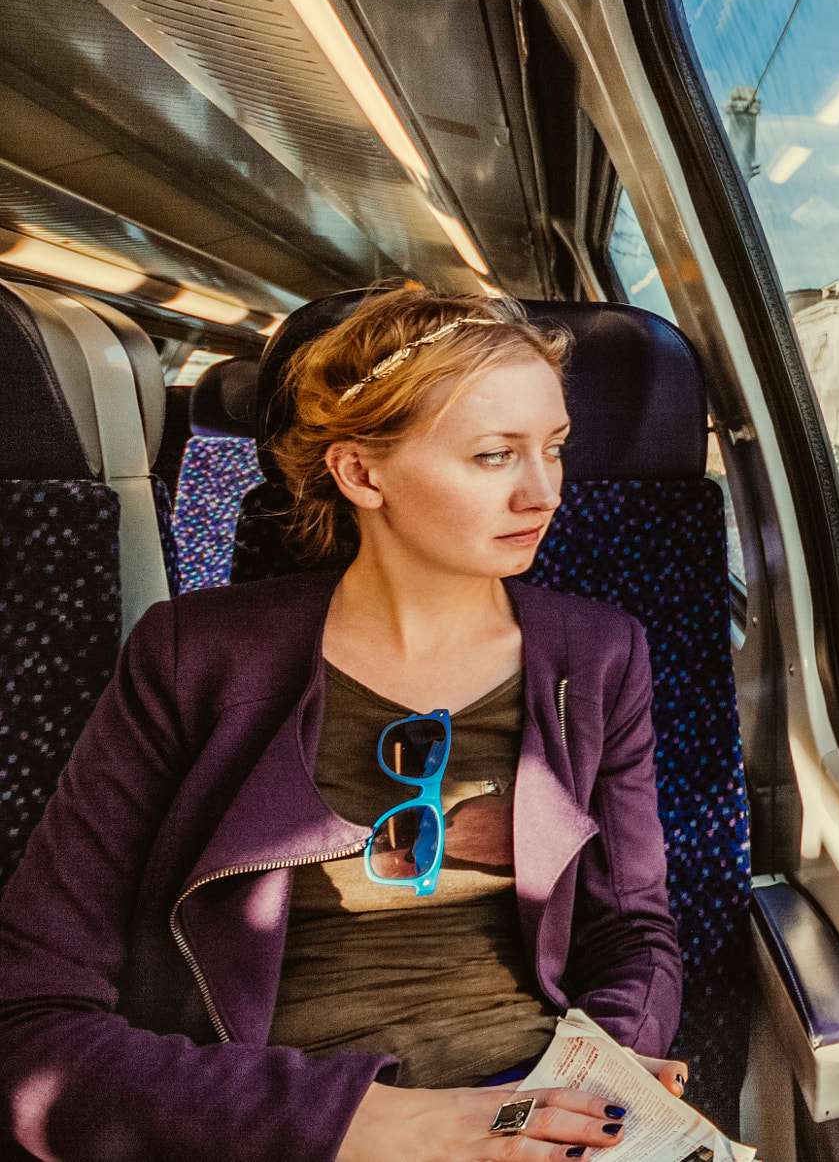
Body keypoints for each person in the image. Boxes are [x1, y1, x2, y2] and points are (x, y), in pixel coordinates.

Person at [0, 287, 691, 1161]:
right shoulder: (193, 657)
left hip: (535, 1098)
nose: (544, 493)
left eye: (554, 449)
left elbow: (632, 930)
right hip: (276, 1115)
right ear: (362, 474)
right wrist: (371, 1126)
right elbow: (30, 1017)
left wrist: (601, 1081)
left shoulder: (597, 655)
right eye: (492, 456)